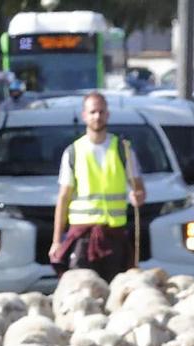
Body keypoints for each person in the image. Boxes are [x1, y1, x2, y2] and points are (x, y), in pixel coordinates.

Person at [48, 91, 146, 282]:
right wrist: (56, 241)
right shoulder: (73, 152)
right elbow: (64, 198)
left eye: (101, 112)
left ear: (107, 114)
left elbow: (139, 189)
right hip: (83, 238)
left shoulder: (123, 149)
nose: (97, 116)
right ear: (84, 115)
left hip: (114, 237)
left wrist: (137, 196)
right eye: (93, 112)